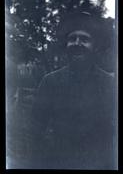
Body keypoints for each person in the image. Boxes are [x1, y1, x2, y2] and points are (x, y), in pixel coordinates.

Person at [32, 11, 117, 169]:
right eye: (72, 39)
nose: (77, 43)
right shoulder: (50, 81)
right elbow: (36, 131)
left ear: (95, 47)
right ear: (66, 45)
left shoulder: (110, 83)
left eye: (85, 39)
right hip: (58, 161)